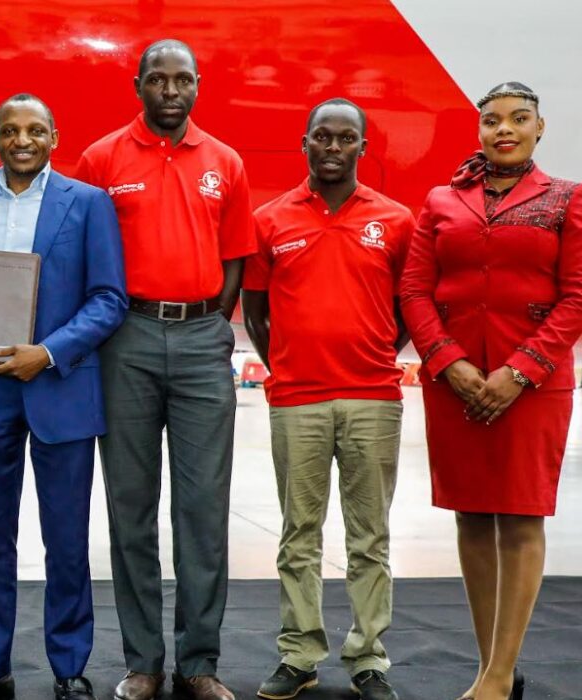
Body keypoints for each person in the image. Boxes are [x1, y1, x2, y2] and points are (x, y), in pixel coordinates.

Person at [400, 82, 582, 700]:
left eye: (519, 119)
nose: (504, 130)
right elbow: (414, 290)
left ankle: (495, 675)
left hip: (531, 386)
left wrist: (519, 370)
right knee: (469, 515)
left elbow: (581, 294)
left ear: (541, 127)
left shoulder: (568, 198)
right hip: (455, 384)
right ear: (478, 130)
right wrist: (448, 361)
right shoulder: (441, 199)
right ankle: (493, 667)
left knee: (518, 517)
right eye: (491, 121)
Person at [76, 39, 255, 700]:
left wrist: (211, 321)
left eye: (183, 80)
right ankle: (143, 662)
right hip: (125, 340)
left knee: (203, 511)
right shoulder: (101, 159)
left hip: (203, 338)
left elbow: (235, 255)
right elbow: (86, 251)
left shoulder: (226, 162)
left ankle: (199, 663)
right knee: (131, 508)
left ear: (198, 86)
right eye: (159, 79)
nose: (171, 91)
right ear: (138, 85)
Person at [0, 94, 127, 700]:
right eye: (11, 131)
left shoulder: (89, 204)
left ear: (54, 138)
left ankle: (70, 666)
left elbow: (108, 299)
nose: (23, 140)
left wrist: (45, 353)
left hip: (60, 389)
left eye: (35, 130)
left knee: (67, 540)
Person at [242, 99, 411, 700]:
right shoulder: (269, 221)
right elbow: (256, 311)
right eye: (322, 137)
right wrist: (288, 361)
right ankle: (300, 652)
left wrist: (373, 352)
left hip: (374, 398)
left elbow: (406, 312)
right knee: (299, 533)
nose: (333, 147)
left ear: (363, 148)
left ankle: (368, 657)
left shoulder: (396, 221)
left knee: (370, 536)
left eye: (346, 139)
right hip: (297, 400)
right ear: (305, 144)